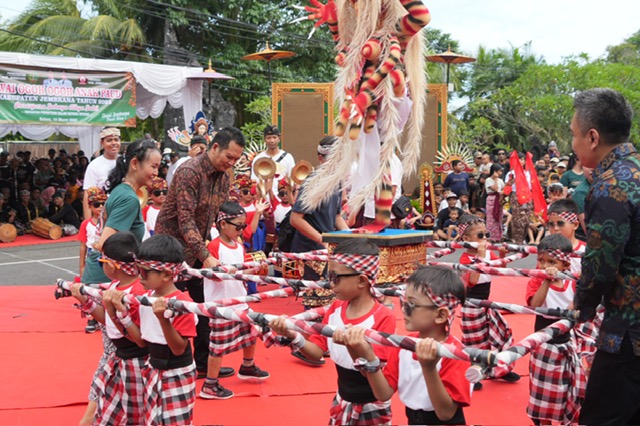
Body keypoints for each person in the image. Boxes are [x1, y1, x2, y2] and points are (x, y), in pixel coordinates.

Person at [269, 239, 396, 425]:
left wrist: (355, 347)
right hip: (342, 401)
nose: (331, 284)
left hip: (372, 406)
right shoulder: (336, 308)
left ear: (361, 280)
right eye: (329, 277)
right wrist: (292, 335)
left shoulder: (383, 317)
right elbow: (316, 353)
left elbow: (373, 376)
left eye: (335, 278)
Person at [571, 88, 640, 424]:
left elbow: (600, 265)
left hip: (629, 331)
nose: (573, 144)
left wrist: (582, 306)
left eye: (574, 134)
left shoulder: (611, 184)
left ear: (593, 137)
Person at [155, 127, 245, 379]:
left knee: (204, 309)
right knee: (171, 309)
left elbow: (218, 217)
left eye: (236, 159)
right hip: (170, 252)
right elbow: (185, 221)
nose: (231, 163)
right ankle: (171, 365)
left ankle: (203, 364)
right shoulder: (189, 171)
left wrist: (232, 238)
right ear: (215, 147)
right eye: (229, 156)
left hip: (197, 251)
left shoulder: (224, 178)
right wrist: (206, 255)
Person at [337, 266, 471, 425]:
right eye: (403, 301)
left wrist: (429, 368)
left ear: (441, 315)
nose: (403, 309)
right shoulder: (404, 345)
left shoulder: (455, 354)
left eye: (411, 304)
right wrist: (365, 354)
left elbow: (446, 413)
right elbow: (383, 393)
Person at [71, 232, 147, 425]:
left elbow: (138, 339)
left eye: (101, 262)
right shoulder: (116, 285)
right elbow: (108, 320)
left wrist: (117, 311)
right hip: (118, 359)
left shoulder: (137, 292)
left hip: (136, 362)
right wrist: (84, 300)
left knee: (136, 415)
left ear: (112, 266)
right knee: (106, 414)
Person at [200, 201, 270, 400]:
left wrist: (255, 268)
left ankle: (247, 365)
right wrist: (228, 271)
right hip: (220, 304)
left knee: (251, 332)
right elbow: (210, 274)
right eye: (238, 226)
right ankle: (210, 384)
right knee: (218, 346)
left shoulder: (239, 245)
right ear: (223, 224)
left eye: (243, 226)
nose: (241, 230)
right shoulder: (213, 246)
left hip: (240, 299)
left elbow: (243, 271)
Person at [135, 234, 198, 425]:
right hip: (152, 367)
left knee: (175, 421)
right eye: (137, 269)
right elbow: (141, 340)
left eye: (144, 272)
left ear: (166, 274)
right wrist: (117, 313)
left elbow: (178, 349)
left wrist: (164, 320)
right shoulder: (144, 298)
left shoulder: (182, 303)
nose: (139, 276)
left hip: (177, 371)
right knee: (152, 419)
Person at [525, 234, 586, 424]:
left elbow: (574, 307)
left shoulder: (571, 281)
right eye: (541, 260)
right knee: (544, 392)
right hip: (544, 345)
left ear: (565, 265)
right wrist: (546, 280)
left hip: (566, 341)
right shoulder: (536, 280)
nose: (545, 266)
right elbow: (535, 305)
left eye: (552, 262)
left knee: (566, 388)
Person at [457, 214, 519, 389]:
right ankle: (474, 375)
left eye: (486, 234)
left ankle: (501, 369)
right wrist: (480, 257)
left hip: (487, 303)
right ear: (466, 238)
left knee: (502, 333)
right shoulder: (465, 259)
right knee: (476, 342)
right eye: (480, 235)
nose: (485, 238)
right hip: (472, 306)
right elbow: (472, 281)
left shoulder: (489, 254)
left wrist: (502, 255)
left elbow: (500, 270)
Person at [290, 136, 349, 280]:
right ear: (321, 159)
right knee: (314, 291)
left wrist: (350, 236)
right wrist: (322, 240)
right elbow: (296, 219)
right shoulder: (313, 182)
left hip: (325, 246)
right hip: (309, 247)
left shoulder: (337, 180)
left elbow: (336, 216)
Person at [82, 127, 121, 221]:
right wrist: (89, 222)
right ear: (102, 143)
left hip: (123, 213)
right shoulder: (94, 166)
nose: (113, 143)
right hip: (103, 216)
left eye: (116, 140)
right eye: (109, 140)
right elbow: (88, 194)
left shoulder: (127, 162)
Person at [251, 125, 295, 194]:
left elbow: (292, 180)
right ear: (264, 139)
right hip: (264, 197)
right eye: (269, 138)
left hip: (282, 197)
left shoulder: (288, 157)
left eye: (274, 137)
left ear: (279, 139)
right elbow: (255, 181)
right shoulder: (258, 159)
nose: (272, 141)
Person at [78, 188, 106, 288]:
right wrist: (82, 266)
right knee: (91, 281)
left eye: (103, 204)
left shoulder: (109, 222)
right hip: (92, 254)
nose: (101, 207)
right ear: (90, 206)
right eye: (96, 205)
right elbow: (83, 246)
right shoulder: (85, 224)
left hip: (106, 253)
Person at [484, 163, 505, 241]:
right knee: (491, 218)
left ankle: (498, 236)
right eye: (499, 171)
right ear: (494, 171)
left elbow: (503, 189)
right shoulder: (488, 180)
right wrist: (495, 179)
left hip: (499, 199)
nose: (500, 173)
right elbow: (496, 189)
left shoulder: (501, 180)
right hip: (491, 199)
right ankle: (490, 236)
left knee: (498, 218)